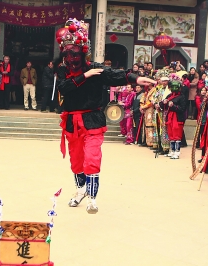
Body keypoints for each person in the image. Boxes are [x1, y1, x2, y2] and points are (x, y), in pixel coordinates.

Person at [56, 19, 156, 214]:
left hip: (92, 120)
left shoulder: (96, 68)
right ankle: (80, 190)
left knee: (92, 158)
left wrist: (136, 78)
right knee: (76, 161)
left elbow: (115, 75)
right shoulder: (63, 70)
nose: (71, 58)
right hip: (72, 122)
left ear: (82, 51)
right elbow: (63, 88)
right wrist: (85, 76)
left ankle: (92, 199)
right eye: (67, 53)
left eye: (74, 53)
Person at [159, 74, 186, 159]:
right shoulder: (170, 96)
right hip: (169, 118)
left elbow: (182, 109)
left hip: (177, 118)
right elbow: (163, 105)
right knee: (171, 134)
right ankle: (172, 151)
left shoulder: (182, 97)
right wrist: (163, 102)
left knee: (177, 135)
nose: (173, 88)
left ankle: (177, 152)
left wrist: (173, 106)